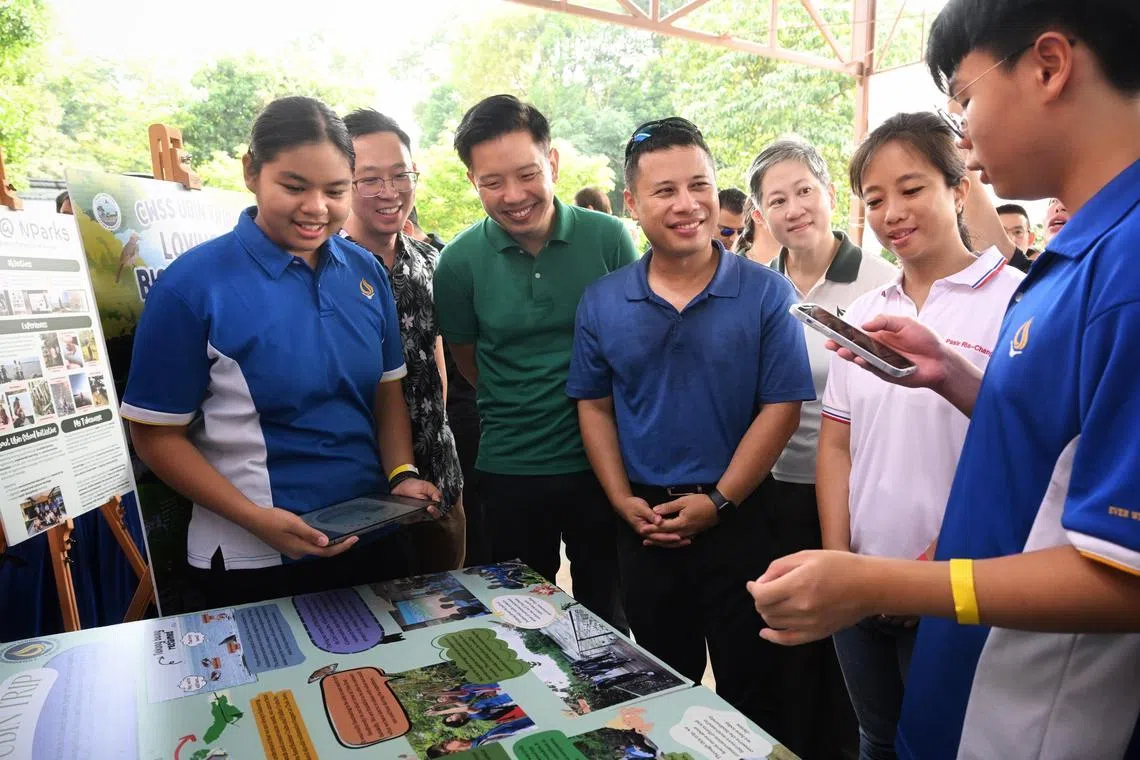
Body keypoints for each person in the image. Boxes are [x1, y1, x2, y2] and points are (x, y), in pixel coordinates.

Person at [749, 2, 1140, 758]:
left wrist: (879, 584)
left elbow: (1123, 576)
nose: (963, 133)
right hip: (976, 694)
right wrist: (957, 378)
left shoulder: (1123, 269)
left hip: (1032, 720)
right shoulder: (1079, 261)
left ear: (1050, 65)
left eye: (963, 97)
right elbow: (1053, 455)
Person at [122, 96, 441, 609]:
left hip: (371, 537)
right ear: (252, 171)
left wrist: (401, 475)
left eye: (335, 190)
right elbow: (155, 435)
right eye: (294, 187)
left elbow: (387, 394)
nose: (316, 207)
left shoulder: (364, 273)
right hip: (253, 558)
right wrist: (256, 520)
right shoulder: (193, 287)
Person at [566, 117, 813, 734]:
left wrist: (720, 500)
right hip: (645, 526)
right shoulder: (603, 300)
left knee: (754, 686)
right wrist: (622, 499)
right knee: (659, 685)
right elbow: (594, 403)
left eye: (699, 185)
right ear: (633, 202)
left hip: (743, 518)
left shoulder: (766, 294)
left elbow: (781, 407)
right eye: (664, 190)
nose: (687, 205)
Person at [820, 112, 1024, 760]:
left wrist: (929, 571)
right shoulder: (862, 313)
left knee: (947, 745)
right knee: (875, 738)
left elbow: (1018, 457)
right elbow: (835, 442)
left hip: (960, 582)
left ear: (958, 189)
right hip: (859, 580)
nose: (891, 212)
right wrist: (841, 563)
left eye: (911, 189)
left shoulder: (1016, 302)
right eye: (874, 199)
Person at [434, 95, 637, 631]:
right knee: (521, 619)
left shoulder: (610, 239)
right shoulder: (457, 264)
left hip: (604, 466)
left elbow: (631, 345)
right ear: (473, 182)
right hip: (510, 467)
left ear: (552, 163)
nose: (513, 195)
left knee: (608, 615)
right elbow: (469, 363)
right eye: (491, 182)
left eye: (527, 174)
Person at [746, 135, 894, 759]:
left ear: (830, 193)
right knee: (784, 639)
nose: (794, 208)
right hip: (771, 491)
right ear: (761, 214)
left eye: (804, 190)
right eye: (777, 199)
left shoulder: (879, 283)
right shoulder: (760, 287)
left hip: (850, 495)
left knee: (848, 650)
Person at [341, 108, 466, 574]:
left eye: (401, 175)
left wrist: (438, 431)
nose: (389, 192)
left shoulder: (430, 260)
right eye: (369, 179)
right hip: (358, 486)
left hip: (440, 474)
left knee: (446, 606)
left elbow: (434, 347)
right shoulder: (325, 267)